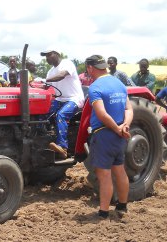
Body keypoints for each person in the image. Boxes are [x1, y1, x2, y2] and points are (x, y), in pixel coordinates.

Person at [85, 55, 133, 220]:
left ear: (90, 68)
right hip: (120, 135)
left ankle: (103, 212)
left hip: (105, 134)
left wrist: (116, 129)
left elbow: (102, 114)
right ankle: (122, 205)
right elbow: (129, 109)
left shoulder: (95, 87)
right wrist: (124, 126)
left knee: (104, 174)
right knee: (119, 170)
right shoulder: (119, 84)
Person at [39, 49, 85, 158]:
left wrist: (45, 80)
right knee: (42, 116)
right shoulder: (50, 71)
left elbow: (61, 75)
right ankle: (41, 142)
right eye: (46, 56)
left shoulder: (67, 64)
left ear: (57, 54)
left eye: (49, 55)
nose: (47, 58)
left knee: (61, 115)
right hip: (60, 99)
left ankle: (63, 147)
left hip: (74, 99)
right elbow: (45, 86)